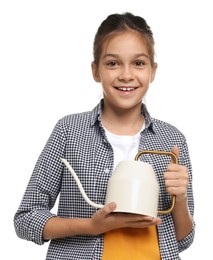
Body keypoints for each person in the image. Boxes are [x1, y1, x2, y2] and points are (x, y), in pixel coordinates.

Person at [14, 12, 195, 259]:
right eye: (112, 63)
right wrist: (91, 226)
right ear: (95, 71)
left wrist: (181, 197)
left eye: (139, 63)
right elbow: (26, 219)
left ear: (153, 71)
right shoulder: (69, 131)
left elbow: (183, 239)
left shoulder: (171, 139)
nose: (126, 75)